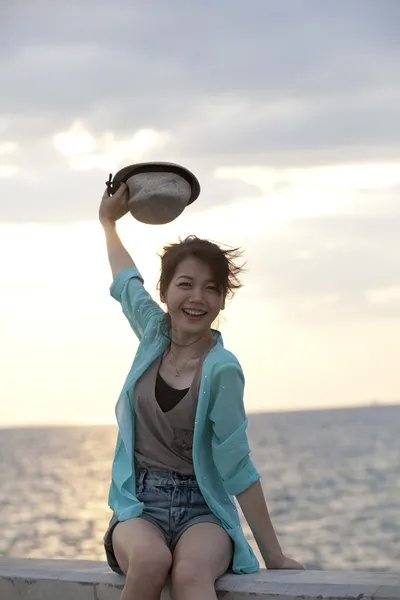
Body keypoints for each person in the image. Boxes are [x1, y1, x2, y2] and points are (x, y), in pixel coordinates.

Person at [99, 183, 303, 600]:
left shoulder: (222, 369)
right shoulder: (153, 333)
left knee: (192, 575)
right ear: (165, 292)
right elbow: (126, 282)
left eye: (212, 288)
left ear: (223, 300)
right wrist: (108, 224)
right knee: (151, 562)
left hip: (203, 510)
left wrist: (274, 555)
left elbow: (237, 464)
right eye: (186, 284)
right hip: (140, 504)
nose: (197, 298)